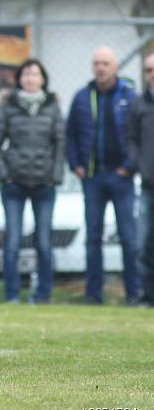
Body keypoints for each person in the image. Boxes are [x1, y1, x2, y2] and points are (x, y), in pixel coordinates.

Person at [66, 46, 140, 305]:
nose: (101, 67)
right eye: (97, 63)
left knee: (129, 238)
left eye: (106, 63)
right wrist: (76, 164)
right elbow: (71, 134)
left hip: (122, 178)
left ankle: (134, 293)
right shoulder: (82, 98)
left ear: (115, 66)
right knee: (93, 237)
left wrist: (130, 166)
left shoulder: (129, 97)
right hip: (93, 179)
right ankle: (93, 294)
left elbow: (138, 135)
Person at [0, 59, 64, 304]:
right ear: (20, 79)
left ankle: (42, 296)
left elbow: (60, 143)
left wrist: (55, 176)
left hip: (44, 184)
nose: (31, 78)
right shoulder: (9, 105)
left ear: (43, 79)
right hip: (15, 184)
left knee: (43, 243)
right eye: (26, 74)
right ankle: (12, 296)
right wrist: (5, 175)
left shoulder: (53, 107)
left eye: (35, 74)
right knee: (12, 242)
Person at [128, 52, 154, 305]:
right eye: (148, 69)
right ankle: (148, 296)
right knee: (144, 244)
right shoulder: (139, 105)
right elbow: (131, 139)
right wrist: (139, 165)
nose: (152, 73)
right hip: (148, 186)